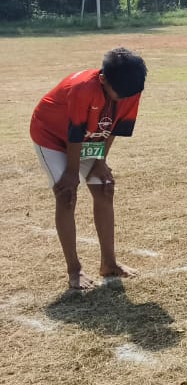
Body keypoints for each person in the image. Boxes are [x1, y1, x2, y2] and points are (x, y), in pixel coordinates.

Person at [31, 48, 146, 290]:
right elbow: (74, 133)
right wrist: (72, 173)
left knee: (104, 187)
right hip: (52, 136)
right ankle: (75, 271)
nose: (123, 100)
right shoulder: (82, 88)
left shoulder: (130, 89)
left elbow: (115, 128)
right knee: (66, 195)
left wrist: (100, 162)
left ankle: (109, 263)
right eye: (118, 95)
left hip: (88, 137)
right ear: (103, 79)